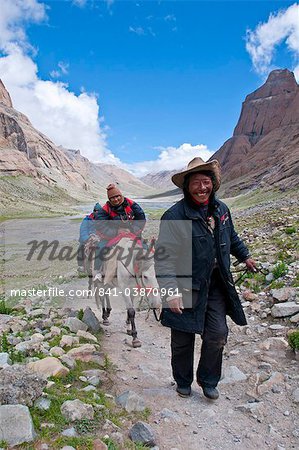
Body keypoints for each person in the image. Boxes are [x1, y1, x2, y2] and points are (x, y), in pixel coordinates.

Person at [154, 157, 256, 400]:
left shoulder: (222, 210)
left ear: (214, 183)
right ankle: (183, 380)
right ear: (187, 186)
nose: (202, 188)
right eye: (196, 182)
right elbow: (164, 259)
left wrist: (245, 257)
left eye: (206, 181)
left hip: (216, 285)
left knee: (218, 333)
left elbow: (231, 236)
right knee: (182, 338)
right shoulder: (174, 216)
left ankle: (209, 380)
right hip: (184, 286)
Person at [77, 202, 102, 272]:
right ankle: (81, 266)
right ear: (93, 211)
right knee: (81, 249)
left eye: (99, 212)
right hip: (87, 239)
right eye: (96, 211)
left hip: (98, 238)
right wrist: (87, 239)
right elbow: (83, 230)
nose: (97, 213)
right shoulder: (87, 220)